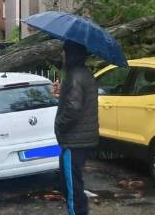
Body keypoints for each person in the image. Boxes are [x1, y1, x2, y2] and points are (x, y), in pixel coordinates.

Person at [54, 40, 98, 215]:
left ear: (71, 53)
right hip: (80, 139)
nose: (61, 55)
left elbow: (72, 109)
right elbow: (75, 102)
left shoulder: (74, 76)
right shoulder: (84, 73)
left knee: (71, 189)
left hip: (73, 140)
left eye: (64, 51)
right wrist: (62, 92)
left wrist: (59, 126)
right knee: (73, 185)